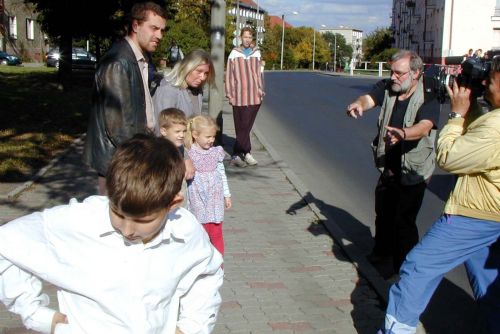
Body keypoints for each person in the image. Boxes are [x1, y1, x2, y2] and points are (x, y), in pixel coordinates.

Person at [0, 133, 224, 333]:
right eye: (117, 213)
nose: (127, 230)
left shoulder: (185, 231)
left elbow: (206, 274)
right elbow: (6, 242)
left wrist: (191, 326)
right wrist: (36, 315)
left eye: (142, 220)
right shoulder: (79, 221)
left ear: (172, 204)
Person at [379, 56, 500, 334]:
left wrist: (457, 115)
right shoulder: (492, 120)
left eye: (490, 82)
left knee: (417, 268)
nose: (485, 85)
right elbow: (476, 145)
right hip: (492, 215)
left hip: (474, 214)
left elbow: (449, 156)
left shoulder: (495, 126)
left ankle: (396, 330)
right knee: (489, 282)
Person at [346, 50, 440, 277]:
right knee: (383, 212)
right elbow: (370, 98)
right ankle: (381, 254)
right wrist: (358, 104)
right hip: (389, 166)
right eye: (392, 71)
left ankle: (404, 271)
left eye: (399, 73)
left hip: (414, 170)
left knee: (404, 223)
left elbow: (425, 125)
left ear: (416, 73)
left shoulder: (428, 93)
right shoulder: (390, 87)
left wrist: (403, 133)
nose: (394, 76)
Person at [83, 2, 167, 195]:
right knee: (115, 219)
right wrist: (142, 162)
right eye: (154, 28)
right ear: (136, 26)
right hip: (120, 162)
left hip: (130, 157)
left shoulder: (140, 58)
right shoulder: (119, 62)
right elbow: (119, 126)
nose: (159, 36)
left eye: (162, 30)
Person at [185, 114, 232, 256]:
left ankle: (218, 263)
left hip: (214, 197)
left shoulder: (216, 152)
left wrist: (227, 195)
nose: (211, 140)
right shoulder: (189, 152)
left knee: (216, 231)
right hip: (197, 196)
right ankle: (202, 262)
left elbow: (221, 173)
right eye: (208, 137)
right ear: (195, 135)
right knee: (200, 231)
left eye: (213, 136)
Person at [225, 26, 265, 167]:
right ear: (240, 38)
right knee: (240, 124)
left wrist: (261, 89)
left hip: (254, 95)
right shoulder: (234, 54)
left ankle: (239, 153)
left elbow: (260, 74)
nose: (247, 39)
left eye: (250, 37)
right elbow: (229, 75)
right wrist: (229, 93)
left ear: (252, 38)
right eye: (245, 36)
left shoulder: (256, 53)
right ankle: (245, 153)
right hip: (239, 95)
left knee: (247, 125)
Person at [153, 49, 215, 120]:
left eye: (206, 73)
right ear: (187, 67)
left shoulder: (197, 90)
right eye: (199, 71)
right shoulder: (168, 90)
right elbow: (162, 125)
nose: (203, 77)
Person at [158, 107, 189, 207]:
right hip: (166, 195)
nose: (182, 135)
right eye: (177, 131)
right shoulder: (159, 151)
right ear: (164, 131)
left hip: (181, 192)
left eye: (184, 131)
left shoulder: (181, 148)